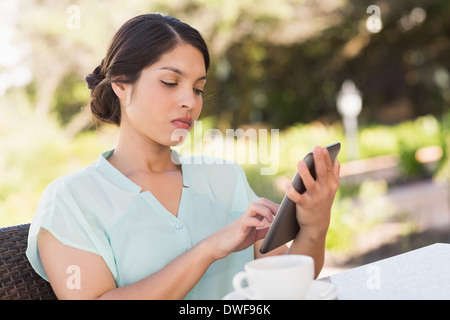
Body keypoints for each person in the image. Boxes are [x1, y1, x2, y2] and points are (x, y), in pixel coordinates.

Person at [26, 13, 340, 300]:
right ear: (121, 84)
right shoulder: (71, 200)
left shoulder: (225, 178)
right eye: (170, 82)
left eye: (199, 89)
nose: (190, 101)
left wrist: (315, 225)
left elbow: (288, 289)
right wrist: (210, 248)